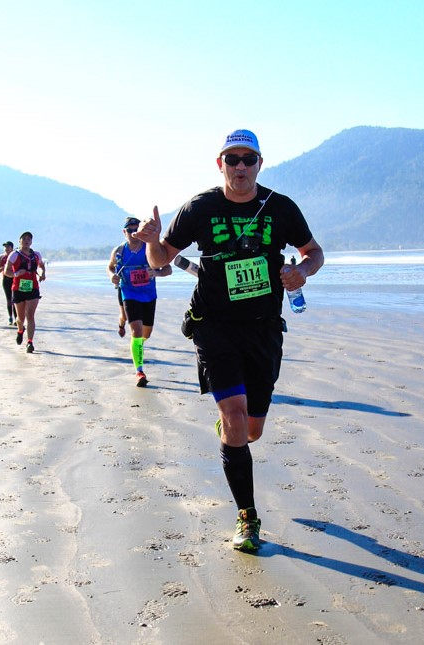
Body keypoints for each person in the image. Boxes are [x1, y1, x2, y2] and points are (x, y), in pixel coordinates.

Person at [136, 129, 324, 551]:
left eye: (248, 159)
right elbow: (161, 259)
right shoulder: (201, 207)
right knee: (236, 419)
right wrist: (151, 243)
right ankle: (248, 517)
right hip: (214, 326)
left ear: (260, 163)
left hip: (263, 329)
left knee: (251, 430)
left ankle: (232, 429)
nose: (240, 166)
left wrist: (303, 272)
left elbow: (314, 252)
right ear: (219, 163)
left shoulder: (280, 207)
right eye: (232, 159)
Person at [107, 217, 172, 387]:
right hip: (128, 292)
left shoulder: (150, 249)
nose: (133, 234)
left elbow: (168, 269)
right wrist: (111, 277)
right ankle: (139, 371)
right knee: (135, 331)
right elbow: (110, 267)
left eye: (136, 230)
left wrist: (155, 273)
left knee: (145, 334)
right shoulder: (119, 251)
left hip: (149, 295)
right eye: (130, 230)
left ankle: (137, 348)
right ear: (124, 232)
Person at [5, 232, 46, 353]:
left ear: (31, 242)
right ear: (19, 241)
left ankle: (30, 342)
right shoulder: (14, 255)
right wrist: (17, 273)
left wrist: (43, 273)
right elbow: (6, 271)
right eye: (24, 239)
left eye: (29, 239)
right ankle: (20, 330)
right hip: (18, 288)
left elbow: (42, 266)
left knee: (30, 315)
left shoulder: (36, 255)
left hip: (33, 288)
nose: (26, 241)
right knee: (20, 318)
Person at [0, 241, 17, 325]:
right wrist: (3, 268)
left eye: (7, 247)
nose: (6, 248)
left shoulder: (15, 256)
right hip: (6, 280)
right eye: (5, 247)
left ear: (11, 248)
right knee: (9, 299)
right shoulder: (1, 257)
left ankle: (17, 318)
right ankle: (10, 317)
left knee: (15, 299)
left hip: (15, 279)